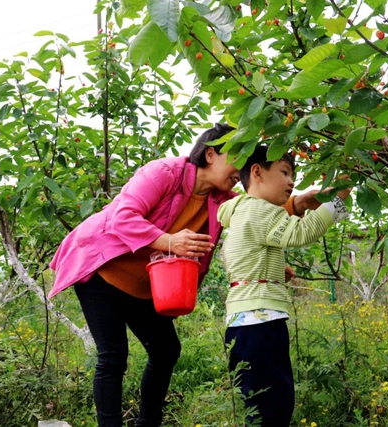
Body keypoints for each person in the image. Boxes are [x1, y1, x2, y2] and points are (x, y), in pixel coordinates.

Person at [47, 124, 326, 427]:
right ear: (210, 154)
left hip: (145, 285)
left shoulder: (221, 199)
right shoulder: (163, 172)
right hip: (103, 271)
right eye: (238, 156)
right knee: (113, 355)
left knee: (166, 349)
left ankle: (147, 424)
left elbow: (253, 208)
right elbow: (122, 217)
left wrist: (298, 203)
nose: (243, 167)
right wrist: (169, 241)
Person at [217, 145, 352, 426]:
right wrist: (335, 202)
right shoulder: (260, 210)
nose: (292, 182)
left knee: (260, 402)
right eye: (284, 172)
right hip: (260, 323)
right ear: (257, 172)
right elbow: (301, 232)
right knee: (274, 405)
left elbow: (244, 256)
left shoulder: (241, 211)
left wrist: (274, 270)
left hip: (245, 323)